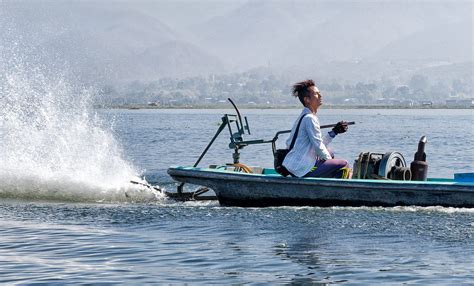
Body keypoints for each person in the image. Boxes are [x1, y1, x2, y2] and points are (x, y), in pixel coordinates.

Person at [282, 79, 351, 179]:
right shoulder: (310, 118)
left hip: (294, 165)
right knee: (344, 164)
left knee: (329, 151)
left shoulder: (305, 116)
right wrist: (329, 161)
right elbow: (318, 146)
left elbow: (318, 144)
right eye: (316, 94)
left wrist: (334, 132)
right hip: (300, 169)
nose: (320, 96)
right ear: (307, 100)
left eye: (319, 93)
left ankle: (326, 180)